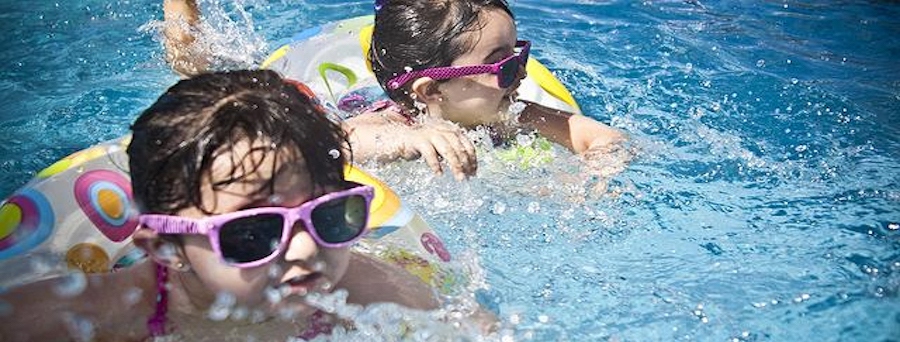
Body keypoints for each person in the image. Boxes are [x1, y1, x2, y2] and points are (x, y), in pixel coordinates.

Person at [0, 69, 439, 342]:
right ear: (165, 248)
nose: (306, 248)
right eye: (253, 232)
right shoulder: (102, 313)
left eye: (329, 216)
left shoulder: (367, 290)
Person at [160, 0, 628, 183]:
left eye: (519, 55)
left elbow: (603, 139)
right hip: (338, 105)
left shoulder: (515, 113)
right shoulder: (393, 120)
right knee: (199, 79)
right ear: (431, 90)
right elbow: (333, 144)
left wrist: (593, 178)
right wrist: (408, 139)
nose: (520, 74)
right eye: (503, 66)